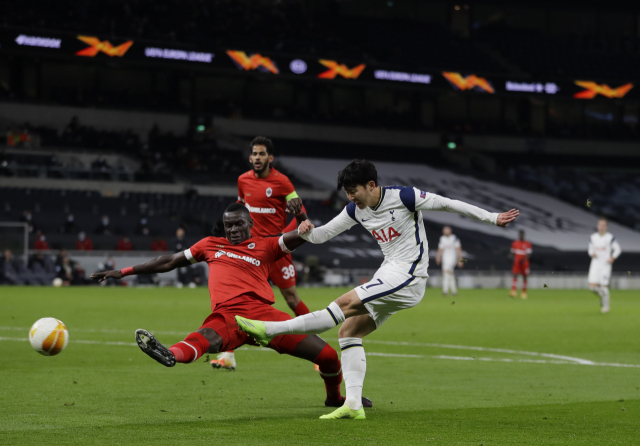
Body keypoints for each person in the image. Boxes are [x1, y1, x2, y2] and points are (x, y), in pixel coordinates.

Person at [236, 159, 518, 420]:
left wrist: (491, 218)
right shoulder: (355, 210)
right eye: (346, 191)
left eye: (353, 190)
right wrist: (303, 226)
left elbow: (449, 205)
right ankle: (354, 406)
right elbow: (321, 236)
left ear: (371, 185)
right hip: (389, 272)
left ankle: (268, 330)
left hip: (410, 275)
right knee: (348, 332)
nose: (350, 196)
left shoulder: (405, 197)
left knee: (341, 306)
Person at [90, 203, 371, 410]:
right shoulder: (209, 245)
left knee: (329, 357)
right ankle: (169, 354)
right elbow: (168, 261)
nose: (234, 229)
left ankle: (334, 399)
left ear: (249, 224)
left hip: (266, 318)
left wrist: (301, 219)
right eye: (229, 225)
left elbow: (302, 235)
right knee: (204, 338)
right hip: (228, 316)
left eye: (238, 224)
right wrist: (124, 271)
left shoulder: (266, 246)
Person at [212, 136, 311, 370]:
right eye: (254, 154)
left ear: (270, 157)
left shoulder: (282, 182)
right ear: (249, 157)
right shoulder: (243, 180)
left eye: (262, 154)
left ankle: (314, 345)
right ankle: (227, 355)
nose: (257, 158)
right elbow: (239, 206)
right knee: (235, 300)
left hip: (275, 251)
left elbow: (301, 211)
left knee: (291, 299)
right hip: (249, 252)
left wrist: (281, 240)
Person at [588, 218, 621, 314]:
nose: (601, 227)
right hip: (595, 264)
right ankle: (603, 296)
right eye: (599, 225)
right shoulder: (593, 237)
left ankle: (606, 307)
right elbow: (590, 249)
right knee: (592, 287)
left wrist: (612, 257)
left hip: (605, 265)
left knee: (604, 287)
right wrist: (591, 253)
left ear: (606, 227)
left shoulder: (610, 237)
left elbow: (618, 249)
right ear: (597, 226)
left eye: (603, 225)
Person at [436, 226, 463, 296]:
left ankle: (445, 290)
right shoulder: (442, 239)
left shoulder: (454, 238)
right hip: (445, 258)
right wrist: (438, 257)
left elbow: (458, 249)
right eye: (444, 230)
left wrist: (460, 259)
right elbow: (440, 249)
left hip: (453, 258)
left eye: (447, 230)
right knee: (450, 274)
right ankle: (454, 291)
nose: (445, 232)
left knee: (445, 272)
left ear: (450, 231)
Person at [509, 230, 532, 299]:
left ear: (524, 235)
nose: (521, 236)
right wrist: (510, 256)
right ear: (519, 235)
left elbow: (528, 254)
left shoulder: (527, 244)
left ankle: (523, 293)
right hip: (517, 262)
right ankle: (513, 291)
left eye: (522, 234)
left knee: (525, 277)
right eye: (520, 234)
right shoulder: (515, 243)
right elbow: (512, 253)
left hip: (524, 263)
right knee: (515, 275)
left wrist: (523, 259)